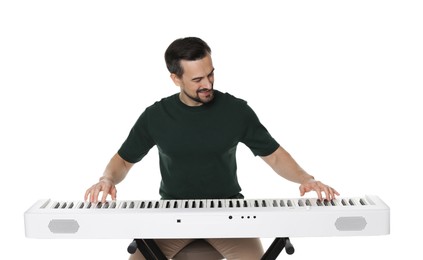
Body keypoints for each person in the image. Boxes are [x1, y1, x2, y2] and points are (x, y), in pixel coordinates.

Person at [84, 37, 339, 260]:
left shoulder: (236, 111)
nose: (208, 83)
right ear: (175, 78)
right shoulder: (155, 116)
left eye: (211, 74)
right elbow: (124, 161)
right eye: (197, 79)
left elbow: (273, 156)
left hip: (229, 213)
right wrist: (107, 179)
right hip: (172, 214)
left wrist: (307, 179)